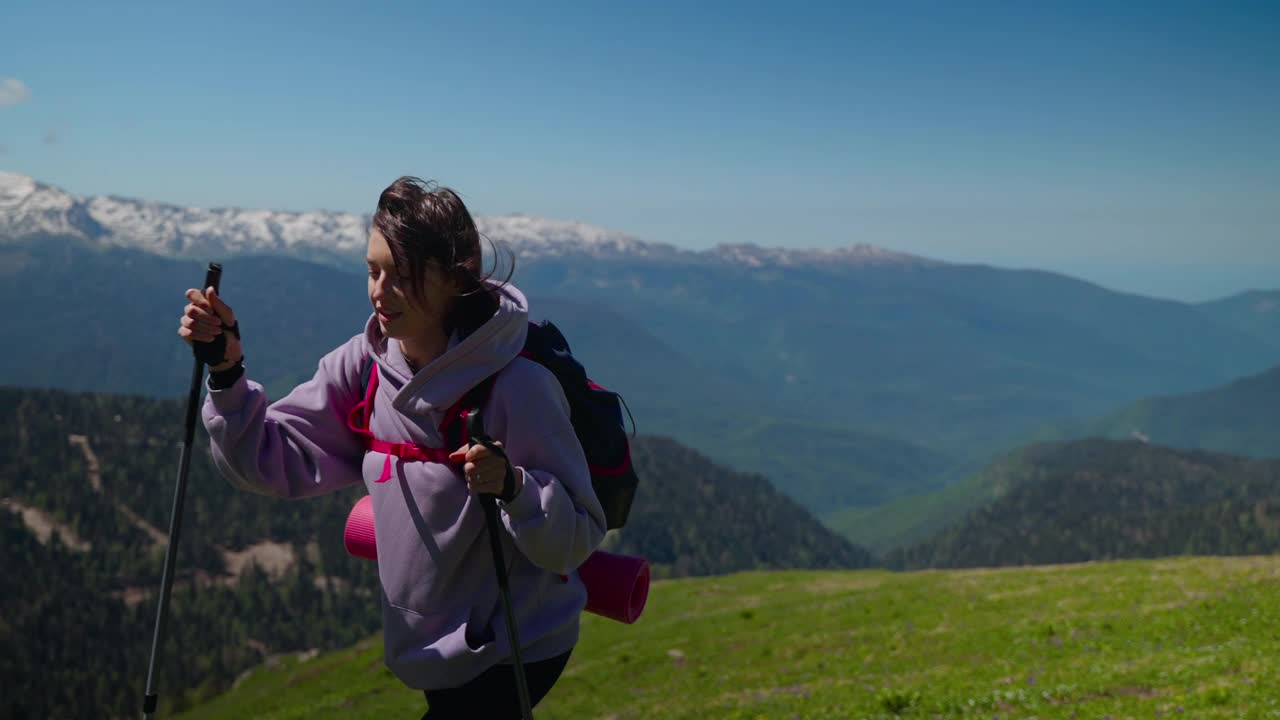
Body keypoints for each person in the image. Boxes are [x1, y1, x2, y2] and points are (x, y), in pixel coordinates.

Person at [177, 176, 607, 719]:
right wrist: (226, 371)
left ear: (458, 279)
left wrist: (515, 487)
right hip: (430, 649)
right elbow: (270, 459)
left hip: (515, 648)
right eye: (372, 270)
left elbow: (579, 534)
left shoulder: (515, 387)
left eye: (402, 277)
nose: (380, 292)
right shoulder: (364, 369)